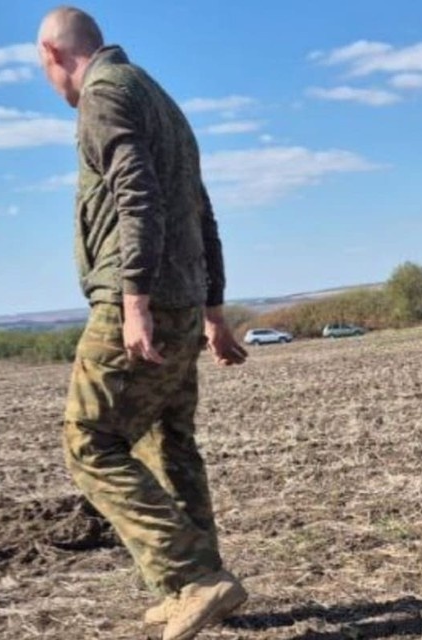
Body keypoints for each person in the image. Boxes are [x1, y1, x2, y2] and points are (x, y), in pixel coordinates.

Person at [36, 7, 249, 640]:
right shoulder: (160, 98)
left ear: (53, 54)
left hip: (144, 299)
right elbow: (200, 210)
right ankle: (195, 582)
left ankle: (192, 578)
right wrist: (212, 307)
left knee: (90, 441)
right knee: (169, 441)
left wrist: (134, 301)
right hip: (184, 298)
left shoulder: (103, 95)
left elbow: (137, 194)